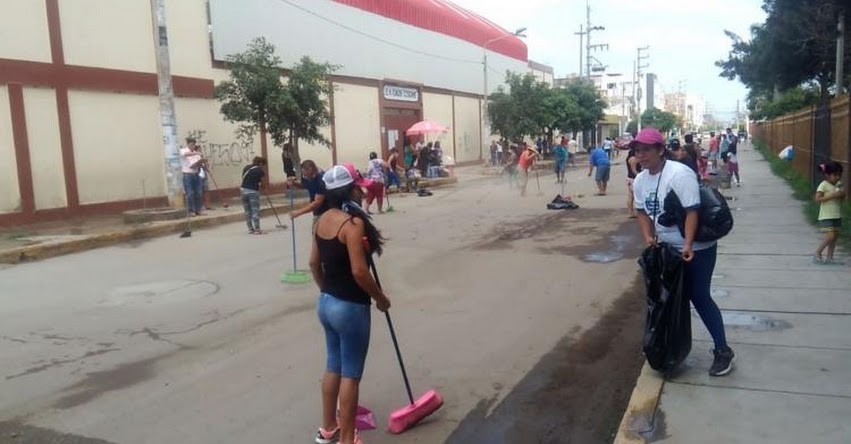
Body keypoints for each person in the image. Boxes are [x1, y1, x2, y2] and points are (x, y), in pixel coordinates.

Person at [630, 127, 735, 377]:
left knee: (699, 296)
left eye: (646, 150)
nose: (640, 155)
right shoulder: (641, 180)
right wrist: (648, 237)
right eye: (637, 150)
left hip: (696, 248)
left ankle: (723, 351)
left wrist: (687, 244)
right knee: (668, 299)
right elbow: (642, 212)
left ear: (660, 150)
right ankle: (671, 349)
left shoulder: (679, 174)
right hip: (667, 248)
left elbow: (692, 211)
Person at [310, 163, 391, 444]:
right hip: (350, 308)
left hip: (327, 304)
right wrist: (380, 298)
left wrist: (327, 291)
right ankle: (347, 439)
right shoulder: (352, 225)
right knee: (351, 374)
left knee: (333, 365)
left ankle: (328, 428)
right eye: (359, 186)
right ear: (351, 189)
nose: (361, 190)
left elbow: (313, 263)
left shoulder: (320, 220)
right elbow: (359, 271)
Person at [813, 161, 845, 264]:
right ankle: (818, 253)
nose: (837, 177)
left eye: (839, 175)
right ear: (827, 175)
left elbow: (842, 197)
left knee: (834, 237)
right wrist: (831, 195)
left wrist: (841, 194)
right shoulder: (823, 185)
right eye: (835, 175)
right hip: (826, 215)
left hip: (836, 214)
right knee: (830, 236)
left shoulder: (839, 184)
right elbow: (817, 199)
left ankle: (830, 257)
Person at [288, 160, 327, 226]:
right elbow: (305, 185)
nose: (304, 176)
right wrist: (294, 183)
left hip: (324, 213)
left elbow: (317, 203)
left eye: (305, 174)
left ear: (310, 170)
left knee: (318, 233)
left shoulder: (321, 180)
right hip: (317, 212)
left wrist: (298, 212)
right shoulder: (308, 177)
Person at [240, 156, 268, 234]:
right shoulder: (260, 171)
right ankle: (257, 229)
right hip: (253, 192)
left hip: (243, 191)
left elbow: (244, 178)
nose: (263, 167)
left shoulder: (246, 168)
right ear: (261, 163)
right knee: (255, 210)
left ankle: (250, 229)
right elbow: (262, 182)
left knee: (247, 211)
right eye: (263, 165)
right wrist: (264, 189)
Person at [179, 137, 206, 216]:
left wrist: (202, 162)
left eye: (194, 145)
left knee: (199, 192)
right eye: (191, 144)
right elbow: (184, 154)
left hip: (196, 174)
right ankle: (191, 210)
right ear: (188, 144)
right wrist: (196, 153)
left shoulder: (196, 153)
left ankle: (198, 209)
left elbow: (200, 163)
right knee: (190, 193)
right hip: (187, 174)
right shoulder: (183, 150)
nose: (192, 146)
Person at [626, 146, 642, 218]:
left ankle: (631, 212)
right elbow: (634, 170)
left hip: (630, 178)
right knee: (633, 195)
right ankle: (632, 212)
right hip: (633, 178)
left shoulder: (630, 159)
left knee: (631, 195)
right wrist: (640, 176)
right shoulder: (633, 159)